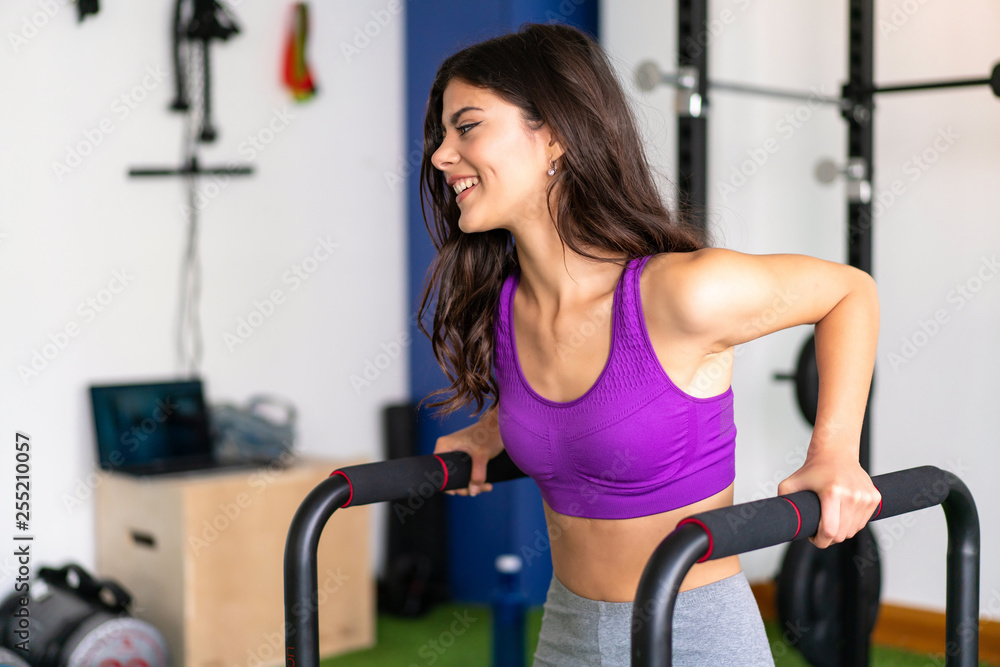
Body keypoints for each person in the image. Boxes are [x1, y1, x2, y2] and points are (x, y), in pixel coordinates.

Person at [417, 22, 881, 667]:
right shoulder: (505, 306)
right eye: (441, 135)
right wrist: (490, 431)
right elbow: (582, 403)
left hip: (693, 633)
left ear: (553, 134)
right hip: (566, 632)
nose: (442, 156)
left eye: (466, 127)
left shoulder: (679, 293)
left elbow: (848, 292)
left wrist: (835, 453)